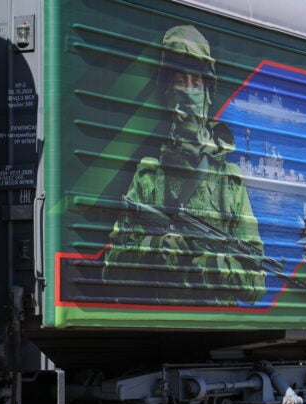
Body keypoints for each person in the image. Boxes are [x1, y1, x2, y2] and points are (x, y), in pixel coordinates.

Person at [102, 25, 266, 305]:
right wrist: (155, 248)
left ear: (207, 91)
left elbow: (256, 284)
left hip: (215, 323)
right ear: (167, 92)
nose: (189, 92)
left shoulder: (230, 180)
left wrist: (216, 265)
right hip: (157, 318)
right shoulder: (149, 174)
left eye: (196, 82)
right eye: (180, 81)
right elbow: (110, 271)